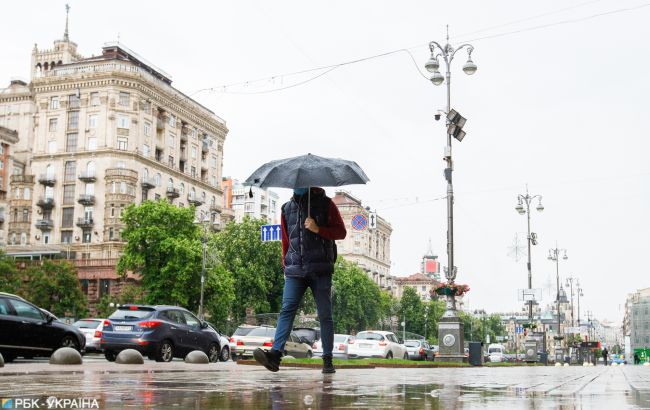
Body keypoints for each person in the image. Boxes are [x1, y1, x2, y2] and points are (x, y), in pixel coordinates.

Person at [254, 187, 346, 374]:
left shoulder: (326, 204)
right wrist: (285, 263)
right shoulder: (286, 208)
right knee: (287, 310)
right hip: (295, 270)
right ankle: (275, 356)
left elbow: (341, 232)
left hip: (320, 269)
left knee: (324, 315)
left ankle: (327, 360)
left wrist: (317, 228)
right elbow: (286, 242)